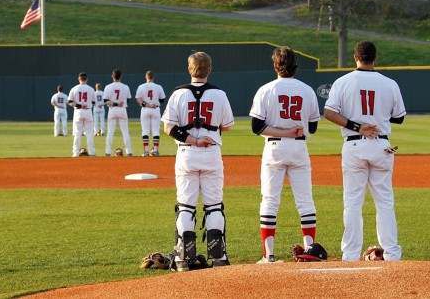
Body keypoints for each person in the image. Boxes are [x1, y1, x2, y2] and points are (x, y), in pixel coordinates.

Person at [323, 40, 406, 261]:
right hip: (381, 144)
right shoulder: (389, 83)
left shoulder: (343, 81)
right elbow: (399, 117)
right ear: (375, 58)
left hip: (354, 144)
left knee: (352, 201)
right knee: (385, 202)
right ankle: (392, 254)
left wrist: (357, 125)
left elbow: (329, 113)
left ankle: (349, 255)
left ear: (355, 57)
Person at [161, 52, 234, 272]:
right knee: (213, 206)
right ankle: (218, 257)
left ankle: (184, 259)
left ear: (189, 69)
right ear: (209, 69)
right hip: (211, 153)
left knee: (186, 206)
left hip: (186, 152)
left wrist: (193, 138)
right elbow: (228, 125)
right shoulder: (219, 94)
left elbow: (169, 128)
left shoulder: (178, 94)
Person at [249, 46, 320, 264]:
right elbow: (314, 126)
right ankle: (309, 250)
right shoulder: (307, 90)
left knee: (270, 200)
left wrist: (282, 131)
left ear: (275, 66)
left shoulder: (266, 89)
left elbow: (257, 127)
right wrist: (292, 130)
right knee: (305, 200)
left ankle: (269, 254)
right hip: (299, 148)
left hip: (275, 148)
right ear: (295, 66)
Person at [135, 70, 166, 157]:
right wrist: (154, 102)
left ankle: (146, 152)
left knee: (145, 131)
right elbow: (162, 99)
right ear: (153, 77)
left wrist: (147, 104)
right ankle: (155, 151)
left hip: (145, 109)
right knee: (156, 131)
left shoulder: (141, 86)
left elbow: (138, 99)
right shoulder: (158, 87)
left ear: (146, 77)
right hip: (155, 109)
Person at [103, 69, 133, 156]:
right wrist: (120, 103)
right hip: (122, 109)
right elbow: (128, 99)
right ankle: (129, 151)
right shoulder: (126, 87)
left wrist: (115, 103)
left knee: (110, 132)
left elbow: (105, 101)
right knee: (125, 132)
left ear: (112, 76)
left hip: (112, 109)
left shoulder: (108, 87)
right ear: (120, 76)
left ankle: (108, 152)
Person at [68, 72, 96, 157]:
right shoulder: (91, 89)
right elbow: (94, 102)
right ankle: (92, 152)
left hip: (78, 111)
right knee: (89, 133)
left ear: (79, 79)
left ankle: (75, 153)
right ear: (87, 79)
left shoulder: (74, 88)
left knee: (77, 133)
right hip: (88, 111)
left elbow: (70, 102)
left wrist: (79, 105)